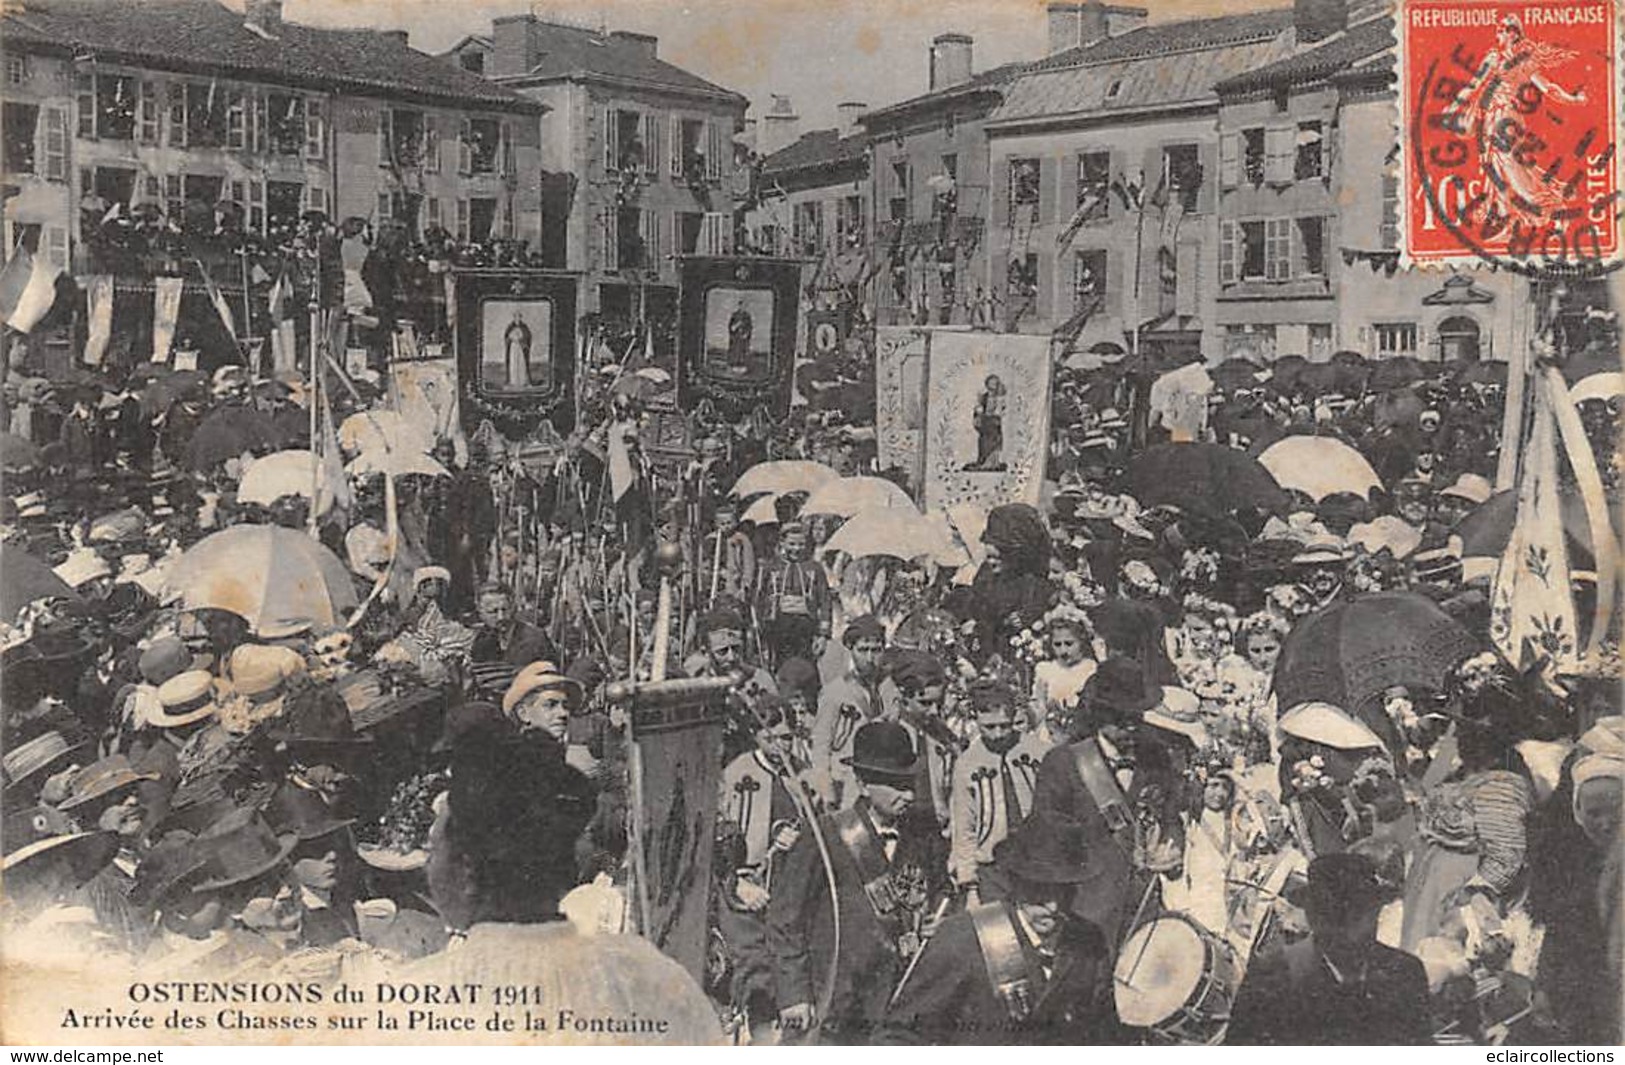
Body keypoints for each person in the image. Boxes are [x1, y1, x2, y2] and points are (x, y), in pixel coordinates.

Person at [401, 721, 723, 1044]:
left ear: (466, 869)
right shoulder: (652, 980)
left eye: (433, 851)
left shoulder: (421, 1005)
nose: (429, 868)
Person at [768, 721, 948, 1043]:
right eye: (895, 784)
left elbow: (939, 892)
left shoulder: (924, 833)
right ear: (863, 784)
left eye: (910, 783)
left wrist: (939, 921)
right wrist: (794, 993)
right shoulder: (825, 835)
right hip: (839, 1000)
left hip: (902, 996)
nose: (908, 794)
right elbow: (785, 918)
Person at [880, 813, 1117, 1045]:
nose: (1053, 906)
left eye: (1064, 890)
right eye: (1042, 890)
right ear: (1018, 883)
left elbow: (1102, 1035)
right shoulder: (965, 938)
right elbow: (900, 1036)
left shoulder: (1088, 942)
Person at [1029, 656, 1184, 954]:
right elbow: (1047, 842)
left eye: (1136, 717)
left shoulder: (1158, 758)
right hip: (1085, 912)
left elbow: (1170, 817)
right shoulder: (1064, 763)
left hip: (1143, 908)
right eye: (1120, 718)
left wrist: (1173, 846)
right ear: (1099, 715)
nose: (1131, 727)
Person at [1227, 852, 1433, 1045]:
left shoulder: (1404, 974)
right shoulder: (1274, 975)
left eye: (1356, 913)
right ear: (1313, 917)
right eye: (1333, 915)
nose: (1345, 927)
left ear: (1376, 910)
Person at [948, 679, 1050, 898]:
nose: (997, 734)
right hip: (992, 870)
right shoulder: (967, 764)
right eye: (989, 727)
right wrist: (969, 884)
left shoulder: (1039, 752)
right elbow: (964, 827)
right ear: (976, 721)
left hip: (1037, 859)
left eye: (1004, 726)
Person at [808, 615, 886, 808]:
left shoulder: (888, 688)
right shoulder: (834, 691)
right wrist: (826, 792)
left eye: (876, 651)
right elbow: (821, 744)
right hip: (846, 786)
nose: (870, 658)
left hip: (881, 781)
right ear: (851, 650)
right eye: (863, 650)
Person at [969, 374, 1007, 472]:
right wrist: (978, 413)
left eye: (995, 383)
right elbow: (979, 408)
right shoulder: (984, 396)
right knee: (984, 442)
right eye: (991, 383)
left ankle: (993, 463)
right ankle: (983, 462)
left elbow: (1000, 410)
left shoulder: (1000, 396)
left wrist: (996, 413)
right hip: (986, 422)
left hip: (994, 422)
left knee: (994, 442)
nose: (993, 385)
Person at [503, 309, 533, 388]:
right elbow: (506, 337)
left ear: (520, 317)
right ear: (514, 317)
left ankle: (523, 381)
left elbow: (528, 336)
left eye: (519, 316)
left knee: (522, 363)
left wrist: (522, 340)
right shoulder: (510, 327)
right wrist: (511, 339)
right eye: (515, 316)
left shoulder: (524, 327)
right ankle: (512, 381)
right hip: (513, 348)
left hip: (521, 348)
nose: (517, 318)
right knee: (513, 363)